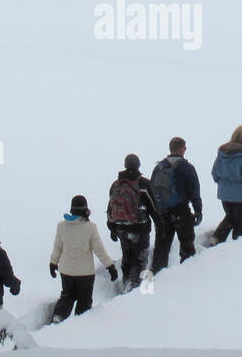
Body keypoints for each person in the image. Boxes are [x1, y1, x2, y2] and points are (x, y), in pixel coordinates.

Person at [51, 196, 116, 322]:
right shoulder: (90, 227)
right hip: (85, 274)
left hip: (66, 272)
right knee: (84, 300)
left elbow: (57, 247)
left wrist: (53, 263)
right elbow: (99, 250)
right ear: (85, 210)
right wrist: (110, 266)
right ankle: (81, 323)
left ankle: (58, 316)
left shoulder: (61, 226)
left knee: (66, 296)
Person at [107, 154, 160, 290]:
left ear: (125, 165)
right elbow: (153, 207)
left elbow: (110, 208)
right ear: (138, 165)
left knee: (127, 257)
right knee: (140, 258)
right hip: (140, 227)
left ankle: (126, 282)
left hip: (121, 228)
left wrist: (112, 228)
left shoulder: (116, 185)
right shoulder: (143, 184)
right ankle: (137, 289)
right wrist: (160, 224)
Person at [149, 137, 203, 272]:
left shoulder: (159, 167)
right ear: (181, 149)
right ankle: (187, 277)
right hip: (181, 211)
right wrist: (198, 210)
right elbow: (194, 191)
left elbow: (151, 189)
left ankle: (157, 277)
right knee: (187, 247)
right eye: (185, 147)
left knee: (161, 248)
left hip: (162, 213)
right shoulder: (186, 167)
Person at [209, 125, 242, 243]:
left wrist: (223, 184)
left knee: (230, 217)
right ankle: (237, 247)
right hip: (240, 195)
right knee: (240, 222)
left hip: (224, 194)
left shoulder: (222, 153)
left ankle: (216, 238)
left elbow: (214, 173)